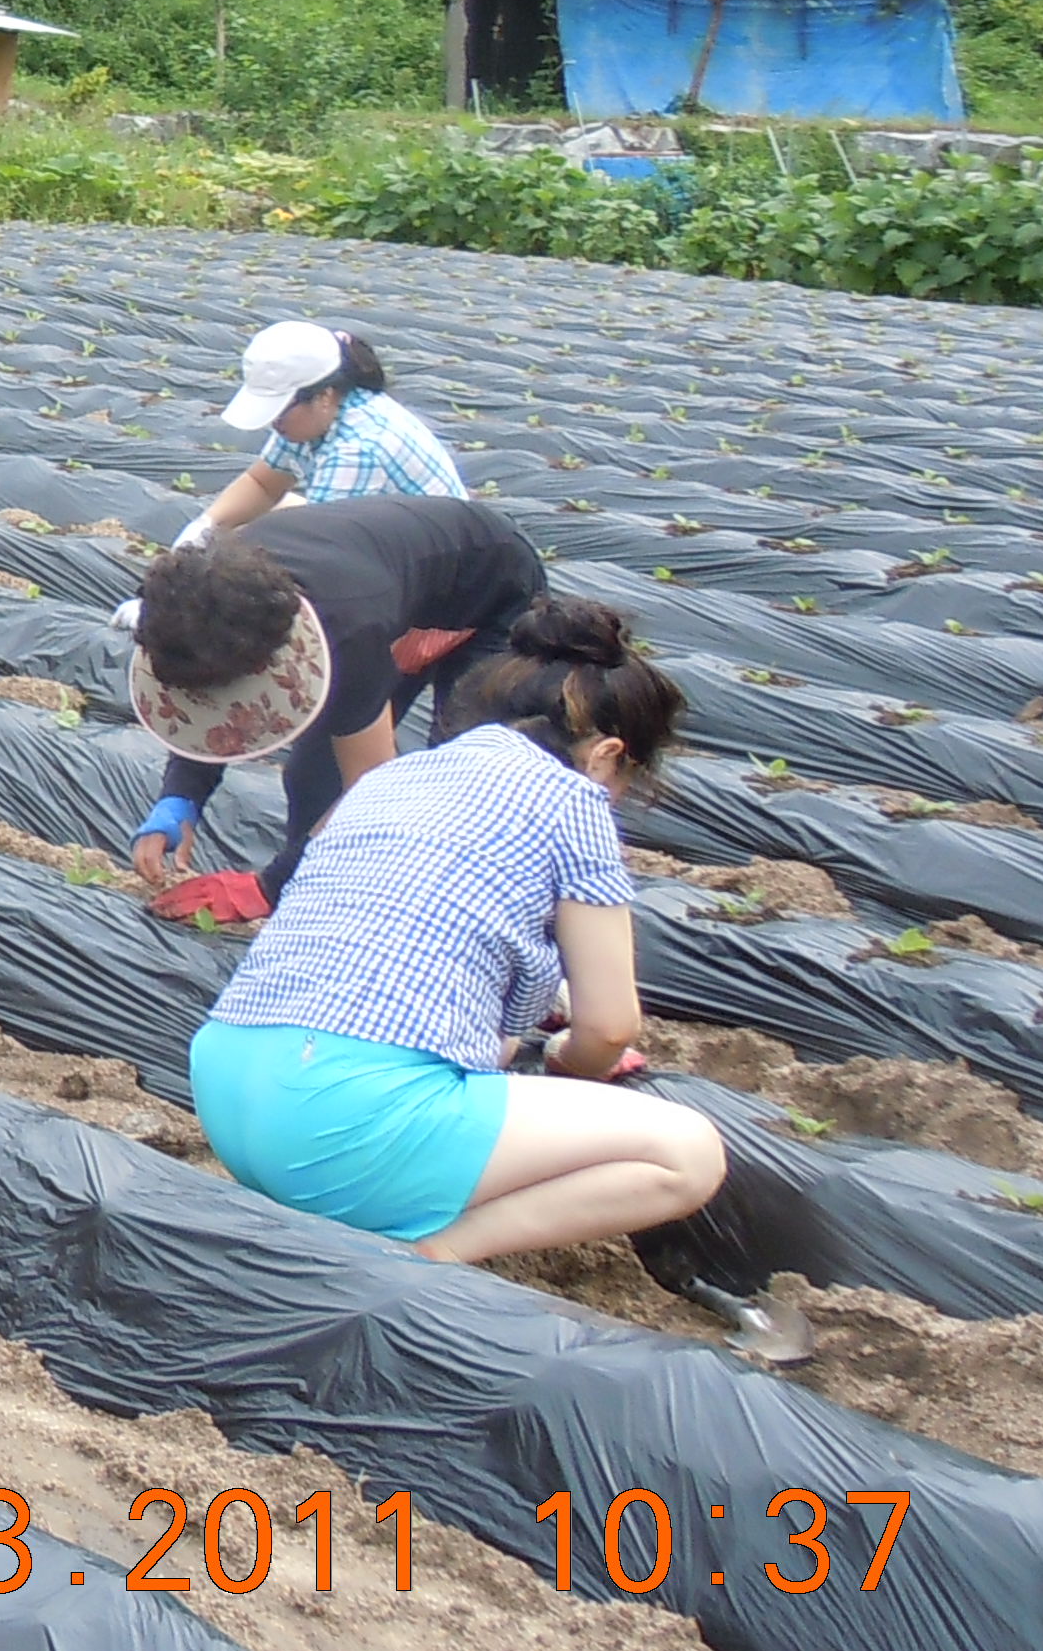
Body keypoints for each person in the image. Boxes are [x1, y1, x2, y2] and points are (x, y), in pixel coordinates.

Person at [186, 603, 731, 1275]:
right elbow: (611, 1027)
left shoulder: (390, 779)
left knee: (476, 1058)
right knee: (686, 1155)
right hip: (337, 1130)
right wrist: (568, 1069)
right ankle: (437, 1252)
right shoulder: (573, 799)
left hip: (227, 1089)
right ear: (607, 755)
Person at [125, 496, 548, 904]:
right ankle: (314, 898)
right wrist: (181, 796)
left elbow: (370, 784)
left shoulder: (346, 632)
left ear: (271, 659)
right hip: (395, 586)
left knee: (458, 772)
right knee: (313, 776)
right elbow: (209, 701)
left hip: (492, 586)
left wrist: (270, 886)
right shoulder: (205, 594)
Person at [178, 321, 465, 543]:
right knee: (271, 517)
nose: (273, 422)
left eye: (280, 410)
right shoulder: (314, 417)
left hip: (437, 569)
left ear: (323, 396)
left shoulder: (357, 450)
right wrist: (203, 528)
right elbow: (264, 484)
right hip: (381, 534)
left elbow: (317, 546)